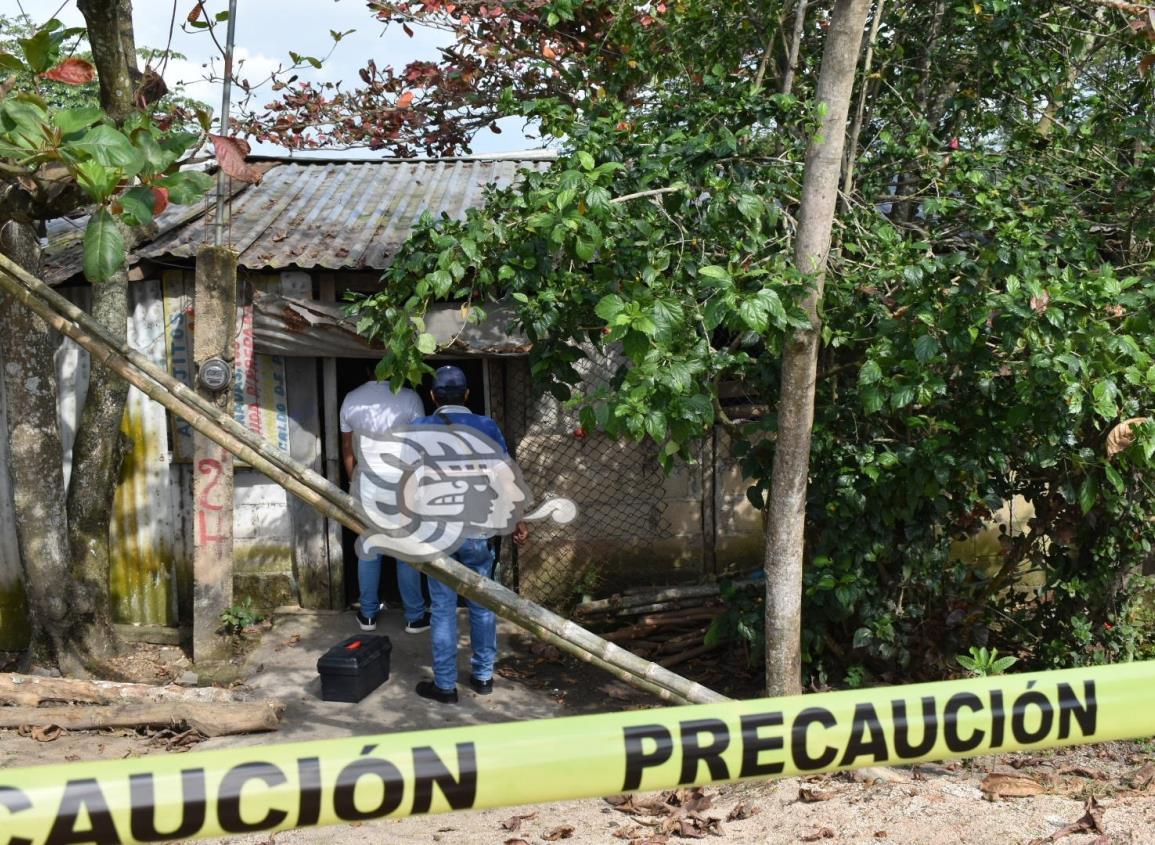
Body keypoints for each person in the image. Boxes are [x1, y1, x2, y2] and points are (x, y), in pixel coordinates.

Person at [414, 365, 529, 704]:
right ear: (467, 395)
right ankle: (482, 677)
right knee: (481, 604)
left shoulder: (419, 429)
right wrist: (518, 519)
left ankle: (446, 686)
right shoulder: (487, 426)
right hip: (479, 531)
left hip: (437, 533)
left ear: (432, 396)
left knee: (443, 607)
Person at [339, 372, 430, 634]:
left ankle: (367, 615)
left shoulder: (352, 399)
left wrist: (353, 480)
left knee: (369, 549)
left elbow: (347, 448)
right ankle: (414, 616)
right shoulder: (410, 398)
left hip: (367, 481)